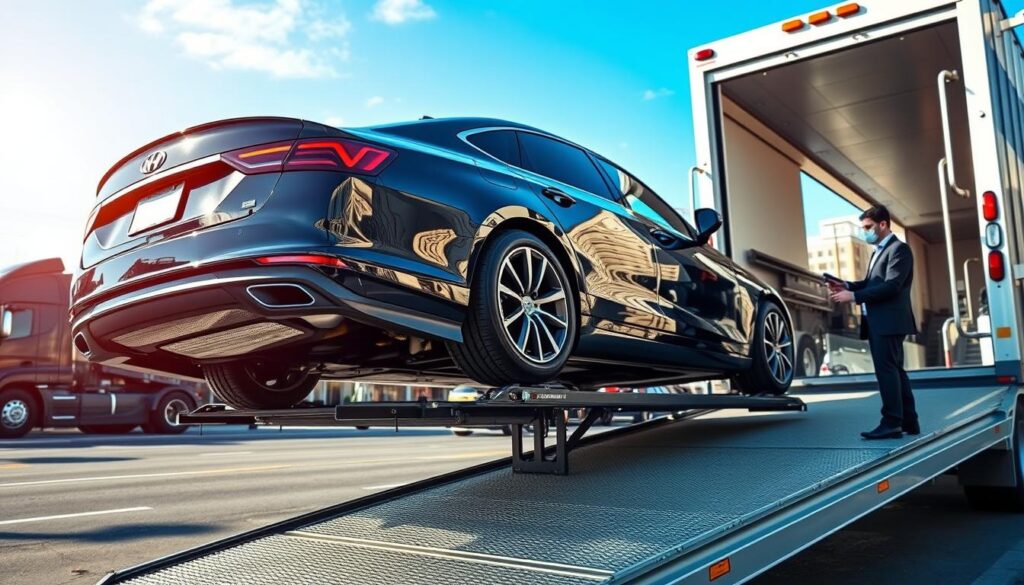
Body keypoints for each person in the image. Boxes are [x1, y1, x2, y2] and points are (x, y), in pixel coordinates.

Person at [828, 205, 919, 440]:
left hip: (888, 321)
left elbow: (891, 286)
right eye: (863, 228)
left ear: (883, 224)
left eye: (868, 227)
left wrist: (854, 297)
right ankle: (909, 421)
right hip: (881, 321)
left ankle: (891, 423)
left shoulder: (899, 249)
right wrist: (847, 285)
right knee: (896, 371)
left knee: (887, 371)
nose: (864, 232)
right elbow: (872, 283)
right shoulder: (879, 251)